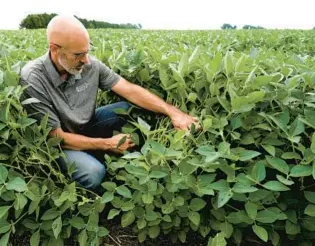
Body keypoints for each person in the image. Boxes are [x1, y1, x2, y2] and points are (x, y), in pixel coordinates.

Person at [19, 15, 201, 190]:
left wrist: (173, 112)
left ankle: (98, 151)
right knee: (94, 173)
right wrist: (107, 144)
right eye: (78, 55)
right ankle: (77, 173)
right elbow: (56, 137)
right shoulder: (33, 78)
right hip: (59, 144)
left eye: (87, 51)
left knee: (131, 110)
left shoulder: (90, 65)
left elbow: (129, 89)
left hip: (87, 126)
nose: (86, 60)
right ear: (54, 49)